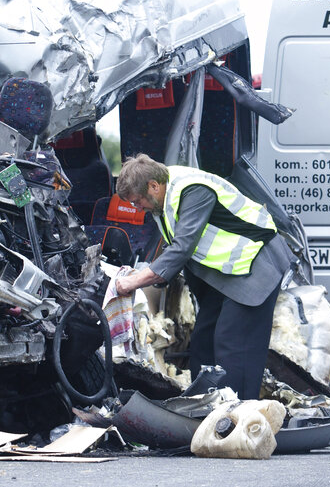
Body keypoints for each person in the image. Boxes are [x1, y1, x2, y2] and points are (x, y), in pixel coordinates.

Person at [113, 154, 294, 399]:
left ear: (153, 186)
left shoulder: (193, 191)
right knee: (203, 341)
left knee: (233, 342)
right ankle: (203, 404)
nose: (137, 208)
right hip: (229, 271)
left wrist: (135, 281)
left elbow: (182, 247)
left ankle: (236, 412)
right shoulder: (164, 195)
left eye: (137, 201)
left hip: (256, 264)